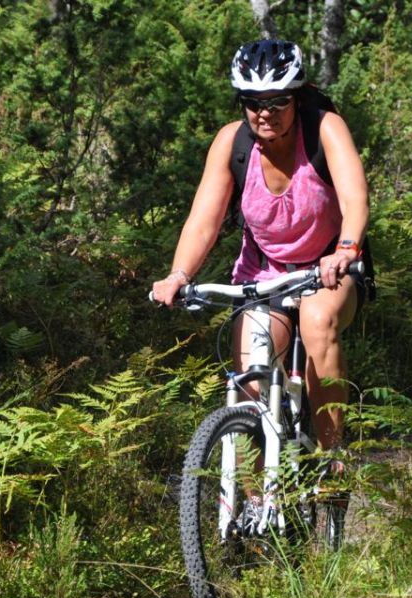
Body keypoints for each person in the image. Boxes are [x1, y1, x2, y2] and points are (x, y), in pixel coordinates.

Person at [151, 38, 370, 455]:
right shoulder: (232, 143)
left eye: (278, 101)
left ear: (297, 97)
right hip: (264, 272)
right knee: (251, 382)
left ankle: (331, 458)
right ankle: (250, 490)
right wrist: (179, 274)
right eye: (252, 103)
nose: (264, 113)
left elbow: (355, 199)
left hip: (326, 268)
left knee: (318, 320)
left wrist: (345, 250)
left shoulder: (324, 129)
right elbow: (204, 220)